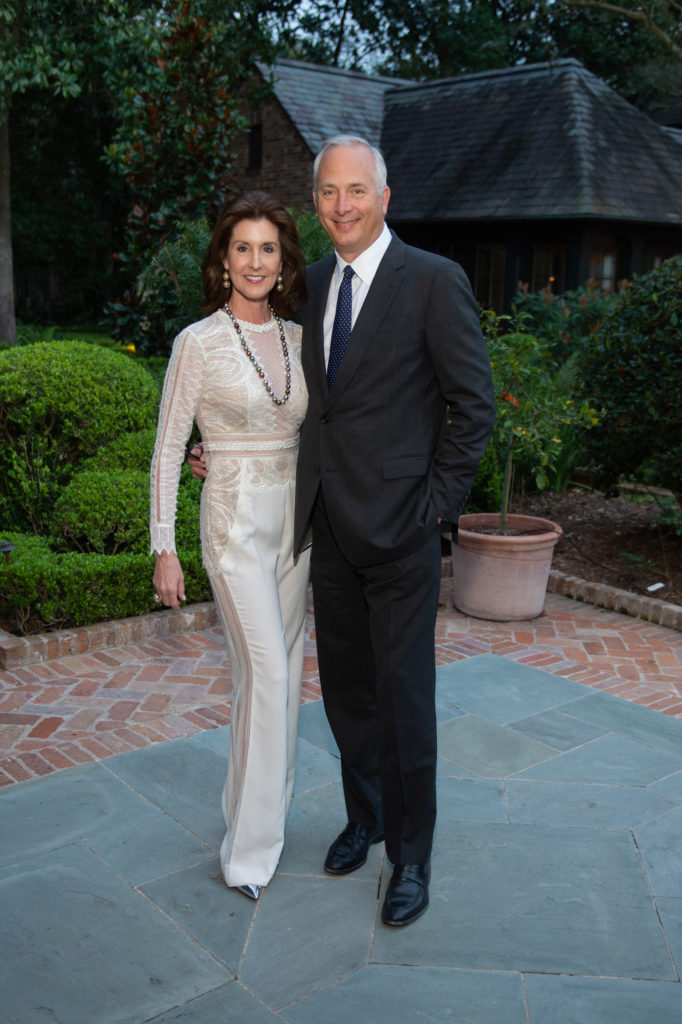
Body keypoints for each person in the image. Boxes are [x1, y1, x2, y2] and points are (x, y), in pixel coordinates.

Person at [293, 135, 496, 926]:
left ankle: (411, 856)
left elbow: (472, 405)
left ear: (385, 197)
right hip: (329, 530)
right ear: (316, 202)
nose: (341, 205)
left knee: (404, 697)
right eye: (327, 192)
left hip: (403, 531)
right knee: (346, 692)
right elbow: (294, 398)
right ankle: (367, 816)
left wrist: (436, 507)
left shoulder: (433, 282)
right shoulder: (307, 287)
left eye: (355, 190)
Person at [150, 191, 310, 902]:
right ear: (223, 260)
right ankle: (248, 856)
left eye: (267, 248)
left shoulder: (302, 339)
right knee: (269, 675)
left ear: (282, 262)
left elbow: (320, 429)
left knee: (275, 683)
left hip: (296, 527)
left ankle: (257, 816)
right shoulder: (198, 343)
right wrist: (164, 545)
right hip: (234, 523)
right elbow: (165, 452)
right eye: (241, 247)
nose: (254, 260)